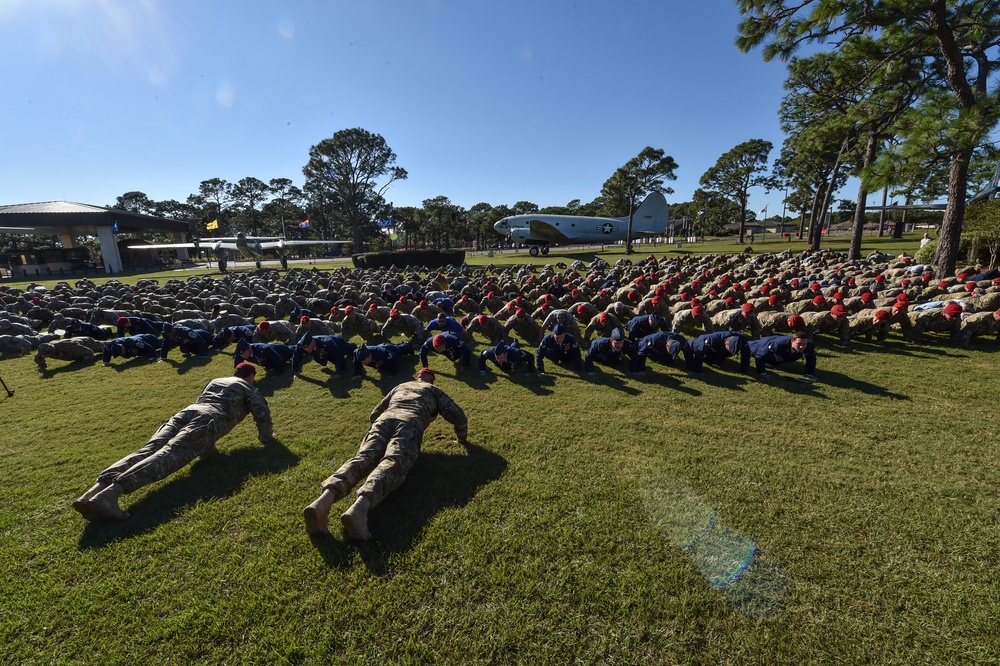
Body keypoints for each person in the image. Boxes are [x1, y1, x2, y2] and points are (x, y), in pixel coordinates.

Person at [72, 362, 274, 521]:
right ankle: (110, 495)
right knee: (169, 454)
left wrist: (208, 449)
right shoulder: (247, 386)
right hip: (210, 418)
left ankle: (91, 494)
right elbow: (261, 412)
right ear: (251, 376)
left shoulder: (216, 380)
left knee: (149, 449)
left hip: (188, 411)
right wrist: (266, 439)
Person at [302, 367, 468, 540]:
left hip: (383, 421)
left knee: (364, 458)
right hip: (409, 423)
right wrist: (461, 440)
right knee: (392, 461)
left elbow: (374, 414)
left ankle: (322, 502)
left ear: (417, 377)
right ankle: (360, 508)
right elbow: (458, 416)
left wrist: (379, 430)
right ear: (431, 380)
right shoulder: (433, 390)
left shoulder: (400, 386)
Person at [747, 331, 817, 379]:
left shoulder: (809, 346)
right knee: (746, 347)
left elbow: (811, 359)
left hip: (779, 355)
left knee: (774, 363)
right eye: (799, 344)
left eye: (804, 344)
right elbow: (760, 355)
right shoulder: (778, 344)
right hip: (762, 344)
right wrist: (762, 373)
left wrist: (809, 374)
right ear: (792, 341)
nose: (802, 347)